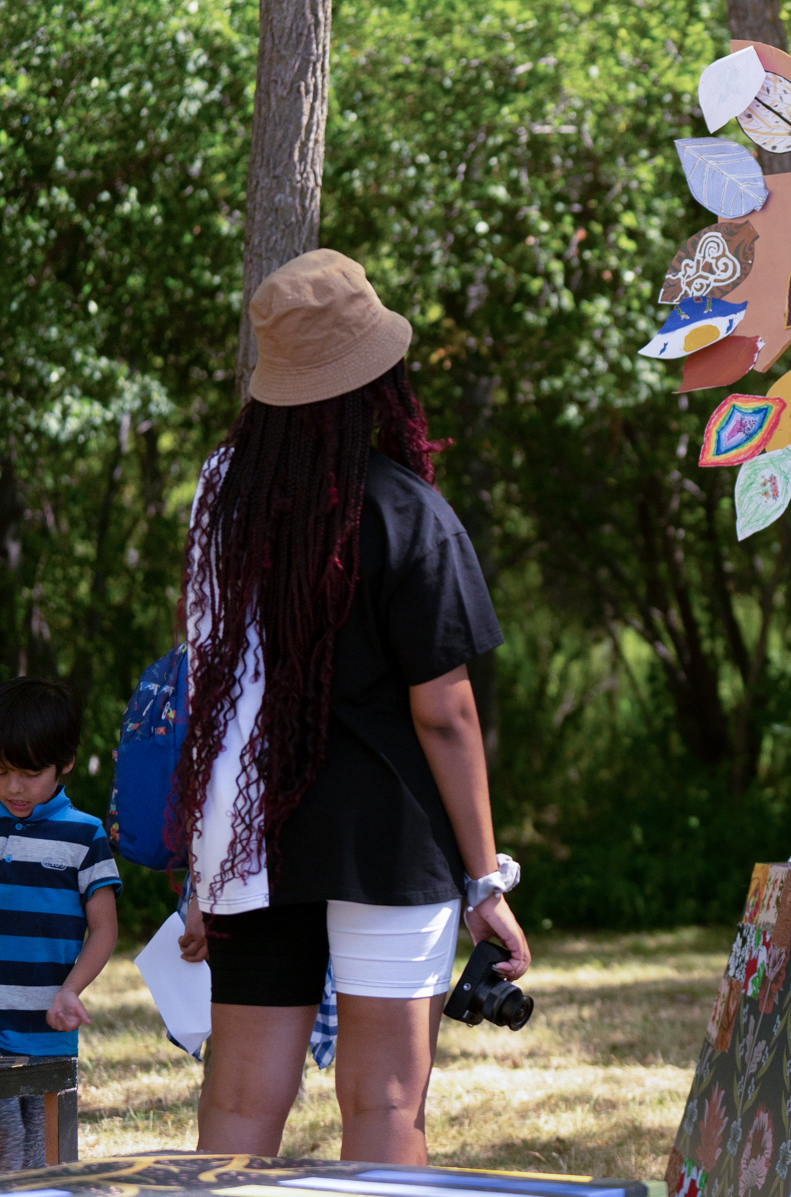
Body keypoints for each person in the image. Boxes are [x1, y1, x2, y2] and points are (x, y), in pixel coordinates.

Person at [171, 249, 529, 1163]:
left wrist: (204, 860)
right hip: (391, 839)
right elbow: (445, 713)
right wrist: (485, 880)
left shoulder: (219, 500)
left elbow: (211, 680)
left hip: (254, 837)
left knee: (242, 1101)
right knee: (384, 1105)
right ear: (379, 376)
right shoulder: (409, 511)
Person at [0, 678, 121, 1171]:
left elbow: (104, 928)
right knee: (4, 1155)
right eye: (0, 772)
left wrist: (72, 990)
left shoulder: (84, 835)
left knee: (49, 1165)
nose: (14, 787)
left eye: (29, 772)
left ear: (64, 763)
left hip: (49, 1033)